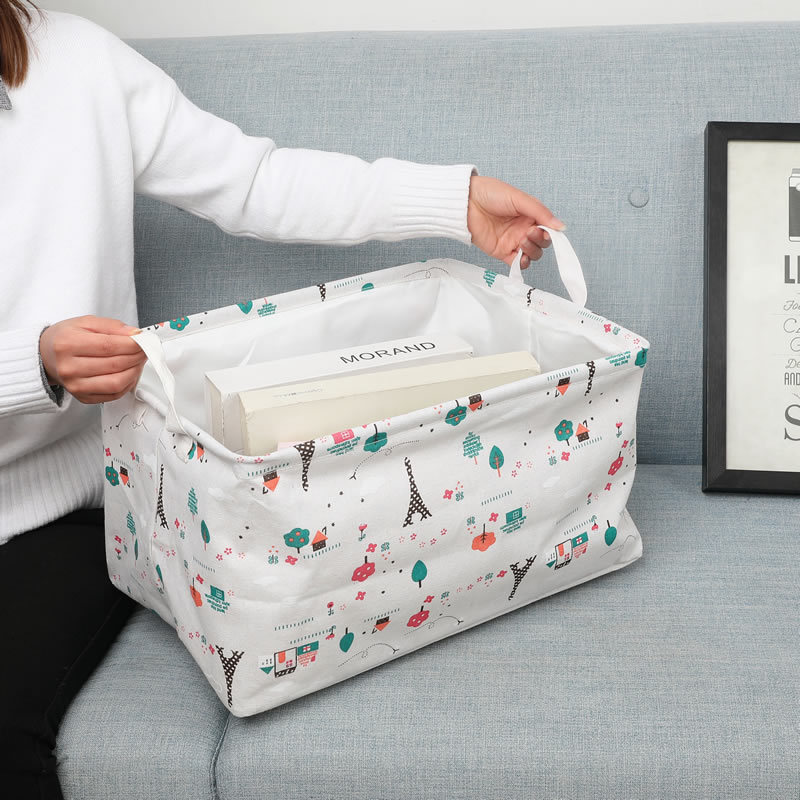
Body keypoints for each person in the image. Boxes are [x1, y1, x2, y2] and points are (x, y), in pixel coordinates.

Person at [0, 2, 565, 797]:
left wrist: (453, 200)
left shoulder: (78, 62)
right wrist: (27, 364)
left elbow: (257, 182)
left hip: (59, 514)